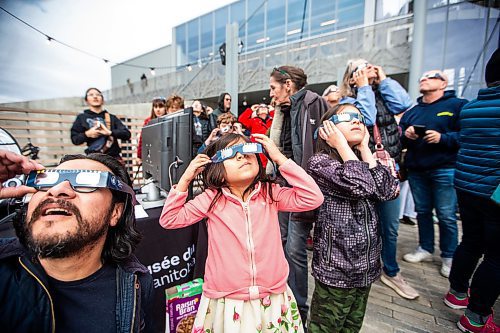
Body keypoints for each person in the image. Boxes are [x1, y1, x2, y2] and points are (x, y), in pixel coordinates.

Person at [159, 133, 324, 332]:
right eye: (231, 153)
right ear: (216, 168)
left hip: (272, 297)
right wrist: (185, 178)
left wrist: (279, 158)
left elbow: (313, 198)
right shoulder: (211, 199)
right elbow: (169, 219)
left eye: (248, 151)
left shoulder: (270, 193)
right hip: (227, 300)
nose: (241, 156)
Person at [0, 150, 153, 332]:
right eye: (48, 181)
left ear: (115, 213)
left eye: (87, 182)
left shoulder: (137, 283)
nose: (56, 190)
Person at [307, 103, 398, 333]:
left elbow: (386, 190)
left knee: (352, 327)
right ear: (328, 129)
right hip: (336, 270)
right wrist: (340, 144)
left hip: (365, 269)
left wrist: (366, 148)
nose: (357, 121)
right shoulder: (320, 163)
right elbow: (361, 185)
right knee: (325, 328)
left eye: (359, 117)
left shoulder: (361, 160)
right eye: (348, 117)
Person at [339, 59, 419, 300]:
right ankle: (362, 267)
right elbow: (365, 119)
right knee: (363, 225)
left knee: (390, 226)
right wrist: (364, 87)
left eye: (371, 65)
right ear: (351, 78)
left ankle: (391, 271)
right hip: (363, 170)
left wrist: (383, 78)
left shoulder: (383, 95)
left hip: (388, 168)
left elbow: (404, 104)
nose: (368, 70)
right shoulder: (348, 102)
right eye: (360, 69)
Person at [443, 49, 500, 333]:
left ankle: (456, 292)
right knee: (497, 257)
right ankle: (476, 316)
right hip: (495, 192)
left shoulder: (471, 108)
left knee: (471, 241)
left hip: (466, 186)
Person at [267, 65, 329, 325]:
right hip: (283, 183)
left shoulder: (314, 103)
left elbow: (317, 149)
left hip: (302, 187)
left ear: (288, 84)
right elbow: (279, 146)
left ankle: (299, 309)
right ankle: (284, 296)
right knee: (280, 242)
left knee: (295, 249)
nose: (271, 93)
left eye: (273, 87)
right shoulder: (284, 108)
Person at [400, 70, 468, 278]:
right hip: (417, 169)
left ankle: (449, 255)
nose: (423, 79)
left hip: (445, 168)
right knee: (422, 211)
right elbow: (400, 138)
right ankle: (425, 248)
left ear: (443, 83)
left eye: (430, 77)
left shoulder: (457, 105)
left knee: (446, 214)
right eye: (422, 78)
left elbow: (466, 135)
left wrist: (443, 138)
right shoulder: (414, 111)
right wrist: (408, 135)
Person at [70, 87, 131, 159]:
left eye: (98, 94)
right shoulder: (82, 118)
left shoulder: (111, 117)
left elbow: (127, 134)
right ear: (86, 100)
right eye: (91, 95)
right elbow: (75, 139)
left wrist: (109, 132)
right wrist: (87, 134)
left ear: (103, 100)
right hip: (93, 158)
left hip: (113, 158)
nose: (95, 96)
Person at [137, 96, 167, 161]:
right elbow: (142, 139)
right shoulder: (148, 121)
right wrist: (139, 156)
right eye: (155, 107)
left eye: (161, 107)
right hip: (151, 154)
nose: (158, 109)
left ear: (165, 108)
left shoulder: (169, 120)